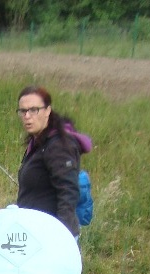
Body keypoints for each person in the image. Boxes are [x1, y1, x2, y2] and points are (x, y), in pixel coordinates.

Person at [16, 85, 92, 238]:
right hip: (35, 231)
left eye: (34, 110)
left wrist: (61, 235)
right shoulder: (38, 142)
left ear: (47, 110)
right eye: (23, 111)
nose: (27, 116)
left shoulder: (59, 146)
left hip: (52, 235)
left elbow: (68, 192)